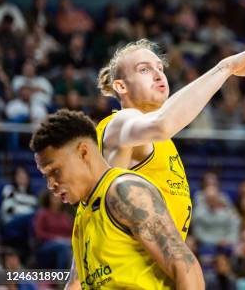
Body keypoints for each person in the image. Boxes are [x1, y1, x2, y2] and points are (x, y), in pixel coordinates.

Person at [96, 39, 245, 239]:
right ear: (121, 86)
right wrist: (227, 67)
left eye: (160, 68)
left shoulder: (163, 142)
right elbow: (162, 124)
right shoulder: (120, 122)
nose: (158, 75)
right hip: (124, 267)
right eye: (144, 70)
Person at [29, 109, 204, 289]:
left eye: (55, 171)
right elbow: (75, 284)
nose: (51, 184)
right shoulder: (84, 214)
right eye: (45, 176)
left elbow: (186, 268)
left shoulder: (123, 191)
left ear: (83, 152)